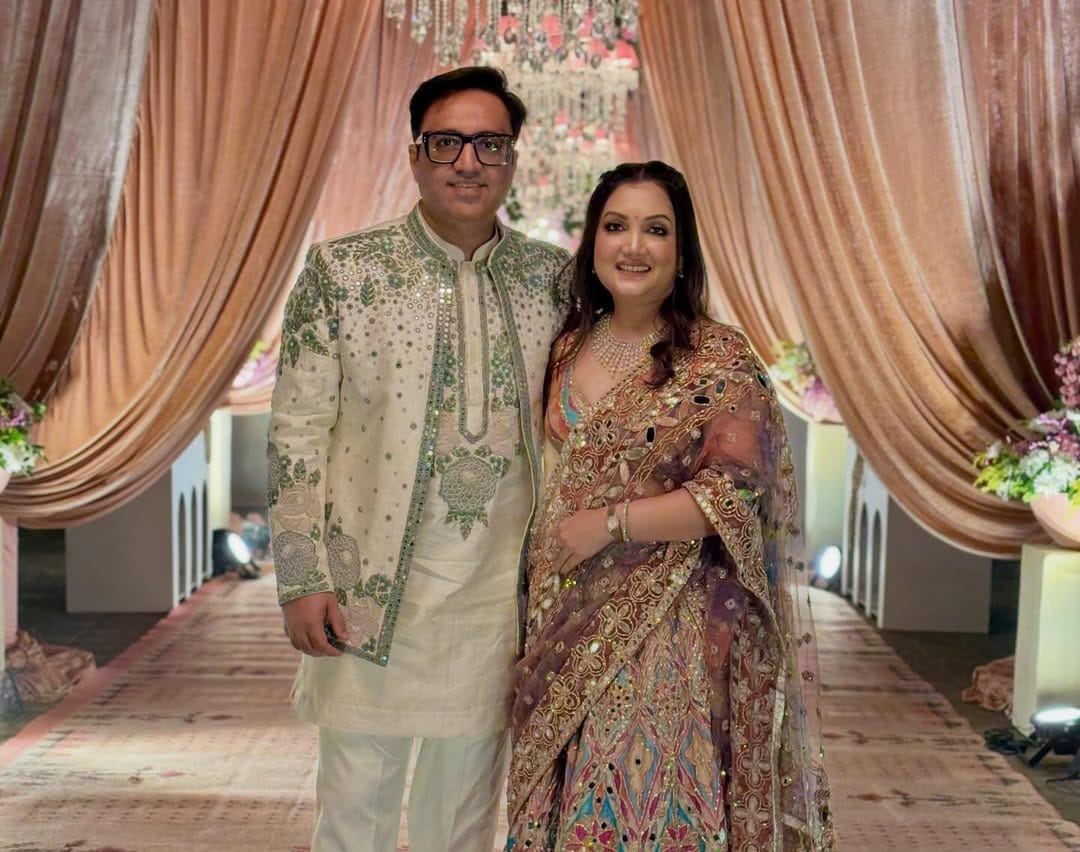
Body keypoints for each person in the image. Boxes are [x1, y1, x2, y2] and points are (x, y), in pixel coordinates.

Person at [267, 66, 569, 852]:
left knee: (463, 821)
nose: (468, 162)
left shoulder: (553, 280)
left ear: (512, 158)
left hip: (494, 603)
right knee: (354, 818)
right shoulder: (343, 273)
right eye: (447, 143)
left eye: (490, 144)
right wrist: (301, 577)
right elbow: (297, 432)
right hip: (365, 594)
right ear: (414, 155)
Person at [505, 161, 834, 850]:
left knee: (642, 803)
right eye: (615, 226)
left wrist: (610, 525)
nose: (633, 246)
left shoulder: (717, 359)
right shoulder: (566, 347)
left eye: (656, 230)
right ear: (592, 242)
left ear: (681, 252)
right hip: (561, 615)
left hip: (664, 622)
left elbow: (732, 493)